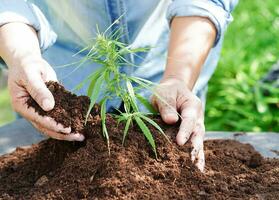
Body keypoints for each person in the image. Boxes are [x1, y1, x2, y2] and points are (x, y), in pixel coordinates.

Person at [0, 0, 238, 172]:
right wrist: (21, 55)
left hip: (170, 56)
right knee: (56, 161)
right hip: (57, 71)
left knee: (172, 154)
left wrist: (179, 78)